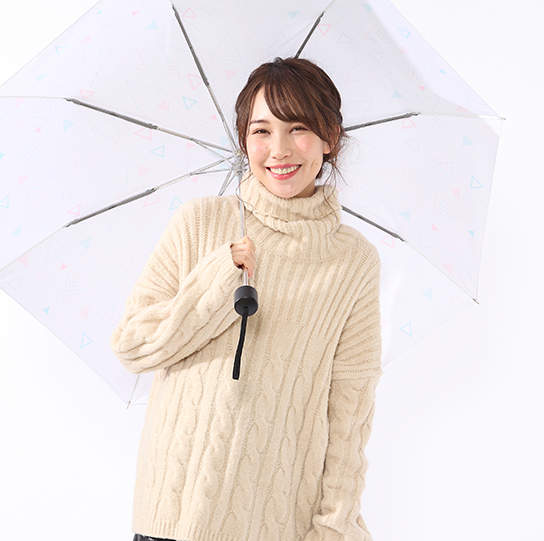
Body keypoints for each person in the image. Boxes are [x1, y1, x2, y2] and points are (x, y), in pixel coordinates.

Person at [111, 57, 382, 541]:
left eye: (298, 128)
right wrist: (220, 279)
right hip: (171, 517)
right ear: (244, 139)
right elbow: (133, 345)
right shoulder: (200, 223)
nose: (279, 149)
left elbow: (350, 413)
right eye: (261, 131)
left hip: (273, 525)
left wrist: (334, 527)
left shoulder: (353, 262)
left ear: (330, 137)